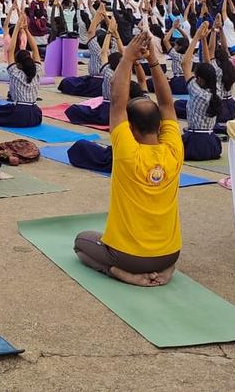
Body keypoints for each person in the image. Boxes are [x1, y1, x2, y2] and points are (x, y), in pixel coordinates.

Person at [74, 33, 182, 287]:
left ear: (130, 128)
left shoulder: (126, 153)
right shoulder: (174, 151)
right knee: (160, 253)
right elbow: (167, 105)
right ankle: (167, 270)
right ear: (160, 126)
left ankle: (118, 272)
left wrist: (126, 60)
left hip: (129, 258)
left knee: (81, 242)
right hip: (169, 254)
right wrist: (153, 61)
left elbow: (117, 104)